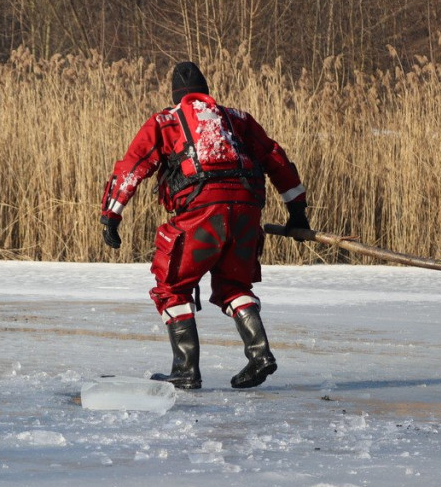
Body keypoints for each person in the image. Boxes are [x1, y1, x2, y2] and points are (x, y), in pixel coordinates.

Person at [99, 61, 310, 390]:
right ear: (206, 91)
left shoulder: (166, 121)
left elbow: (134, 166)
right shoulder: (236, 119)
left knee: (172, 287)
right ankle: (260, 355)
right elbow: (275, 156)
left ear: (175, 95)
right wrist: (296, 210)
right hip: (246, 209)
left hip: (202, 210)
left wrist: (111, 214)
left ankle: (185, 370)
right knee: (234, 286)